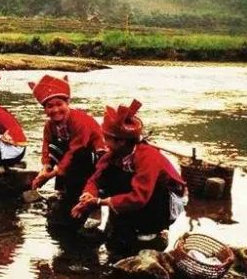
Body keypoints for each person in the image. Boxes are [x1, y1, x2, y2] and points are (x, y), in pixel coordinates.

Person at [72, 99, 187, 254]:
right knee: (110, 175)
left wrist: (99, 202)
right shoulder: (112, 156)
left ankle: (152, 231)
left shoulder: (148, 157)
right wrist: (87, 197)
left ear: (120, 142)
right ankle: (121, 222)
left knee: (142, 188)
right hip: (138, 199)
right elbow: (95, 180)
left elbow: (140, 197)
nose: (104, 142)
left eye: (107, 138)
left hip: (163, 202)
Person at [27, 74, 105, 228]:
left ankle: (94, 205)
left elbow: (75, 149)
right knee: (56, 148)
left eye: (59, 104)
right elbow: (46, 147)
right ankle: (63, 190)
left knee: (78, 155)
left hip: (91, 155)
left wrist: (52, 174)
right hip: (70, 156)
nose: (55, 110)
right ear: (45, 109)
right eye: (50, 106)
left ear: (68, 103)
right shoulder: (49, 126)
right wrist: (45, 167)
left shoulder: (80, 121)